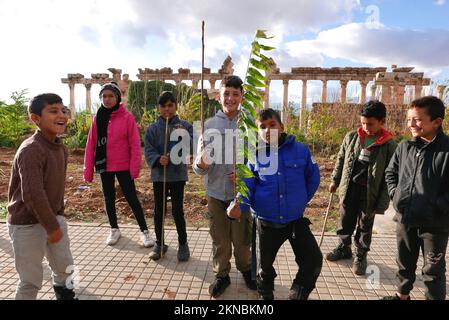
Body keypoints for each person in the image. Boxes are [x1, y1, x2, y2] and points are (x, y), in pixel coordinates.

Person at [227, 108, 322, 300]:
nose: (268, 130)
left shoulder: (301, 150)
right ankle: (265, 295)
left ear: (282, 127)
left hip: (295, 221)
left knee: (313, 260)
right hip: (266, 223)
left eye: (272, 125)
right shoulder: (254, 155)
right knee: (264, 266)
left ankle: (297, 293)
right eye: (262, 127)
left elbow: (313, 178)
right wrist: (238, 207)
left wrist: (301, 200)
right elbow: (247, 186)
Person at [7, 93, 77, 300]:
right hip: (26, 224)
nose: (61, 115)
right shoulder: (31, 150)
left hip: (53, 219)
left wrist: (59, 218)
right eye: (53, 111)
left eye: (63, 110)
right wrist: (52, 226)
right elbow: (32, 194)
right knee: (30, 281)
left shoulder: (60, 148)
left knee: (66, 269)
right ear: (35, 118)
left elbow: (56, 187)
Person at [193, 75, 257, 298]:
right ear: (219, 97)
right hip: (215, 193)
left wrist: (243, 175)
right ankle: (222, 274)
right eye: (226, 94)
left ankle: (247, 270)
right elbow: (197, 166)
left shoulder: (249, 124)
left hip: (240, 195)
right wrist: (200, 163)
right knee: (219, 239)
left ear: (241, 97)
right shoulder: (208, 125)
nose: (230, 98)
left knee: (242, 240)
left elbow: (258, 160)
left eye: (235, 94)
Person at [383, 96, 449, 300]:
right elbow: (390, 173)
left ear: (436, 122)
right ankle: (402, 296)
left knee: (433, 271)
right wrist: (396, 196)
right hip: (405, 219)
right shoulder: (405, 147)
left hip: (434, 225)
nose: (411, 124)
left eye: (418, 119)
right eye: (409, 118)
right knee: (404, 263)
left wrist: (437, 206)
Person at [325, 100, 397, 275]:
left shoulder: (389, 145)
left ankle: (361, 254)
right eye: (363, 123)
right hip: (349, 188)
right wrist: (335, 180)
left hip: (370, 193)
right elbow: (341, 160)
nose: (366, 127)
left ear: (382, 121)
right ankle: (344, 247)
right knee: (345, 220)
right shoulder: (352, 137)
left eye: (370, 124)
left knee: (365, 224)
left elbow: (390, 176)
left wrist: (382, 200)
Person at [84, 82, 154, 247]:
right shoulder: (97, 119)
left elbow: (135, 144)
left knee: (131, 198)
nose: (107, 99)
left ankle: (144, 231)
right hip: (104, 165)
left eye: (111, 96)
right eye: (104, 96)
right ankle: (114, 229)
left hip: (123, 166)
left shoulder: (127, 117)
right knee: (108, 198)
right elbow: (91, 144)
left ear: (117, 97)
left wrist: (134, 167)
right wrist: (88, 171)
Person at [144, 91, 193, 261]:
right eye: (163, 106)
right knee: (159, 210)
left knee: (178, 211)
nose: (167, 109)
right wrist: (158, 159)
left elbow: (191, 148)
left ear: (176, 106)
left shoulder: (185, 126)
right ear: (158, 108)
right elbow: (148, 150)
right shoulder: (152, 128)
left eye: (170, 105)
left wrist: (183, 137)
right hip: (160, 175)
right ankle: (160, 243)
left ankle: (183, 243)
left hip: (178, 175)